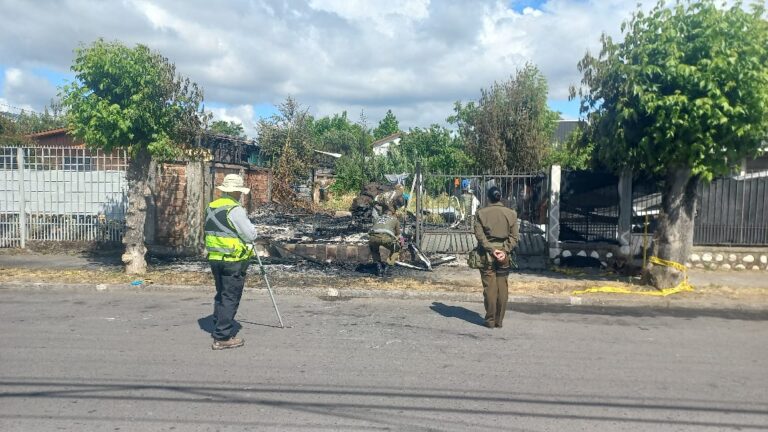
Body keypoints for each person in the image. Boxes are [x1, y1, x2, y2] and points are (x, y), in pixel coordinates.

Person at [204, 174, 259, 350]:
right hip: (233, 259)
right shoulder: (235, 210)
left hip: (215, 258)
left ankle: (218, 320)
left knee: (221, 293)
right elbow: (250, 234)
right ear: (236, 191)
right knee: (230, 296)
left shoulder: (211, 207)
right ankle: (222, 337)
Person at [473, 186, 519, 329]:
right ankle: (499, 320)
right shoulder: (511, 214)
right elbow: (514, 237)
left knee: (490, 288)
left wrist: (492, 250)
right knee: (502, 286)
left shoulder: (481, 213)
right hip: (504, 255)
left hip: (487, 255)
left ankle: (490, 320)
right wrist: (504, 250)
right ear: (500, 197)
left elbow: (480, 236)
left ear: (488, 198)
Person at [368, 202, 402, 278]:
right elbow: (398, 235)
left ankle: (379, 267)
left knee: (374, 250)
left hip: (373, 237)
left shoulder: (377, 218)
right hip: (385, 238)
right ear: (393, 213)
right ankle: (387, 268)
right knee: (396, 248)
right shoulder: (395, 219)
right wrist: (401, 242)